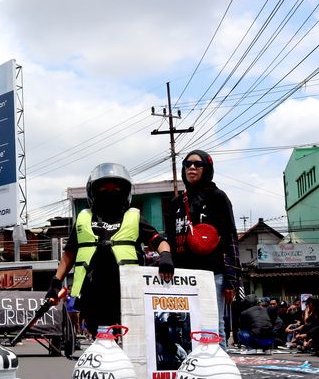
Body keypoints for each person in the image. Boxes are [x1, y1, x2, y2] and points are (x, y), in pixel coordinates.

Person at [47, 163, 174, 338]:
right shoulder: (84, 219)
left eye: (116, 188)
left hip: (127, 293)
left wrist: (166, 256)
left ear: (125, 191)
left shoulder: (134, 217)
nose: (110, 192)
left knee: (128, 339)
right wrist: (56, 281)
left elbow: (159, 242)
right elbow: (69, 254)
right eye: (104, 188)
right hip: (92, 294)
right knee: (100, 341)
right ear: (93, 191)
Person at [166, 150, 241, 350]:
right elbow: (171, 241)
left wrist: (231, 280)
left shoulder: (218, 197)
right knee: (185, 324)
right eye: (187, 163)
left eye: (197, 164)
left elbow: (230, 238)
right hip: (182, 276)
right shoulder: (175, 204)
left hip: (212, 274)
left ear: (206, 169)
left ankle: (219, 374)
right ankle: (191, 371)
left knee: (214, 326)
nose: (191, 167)